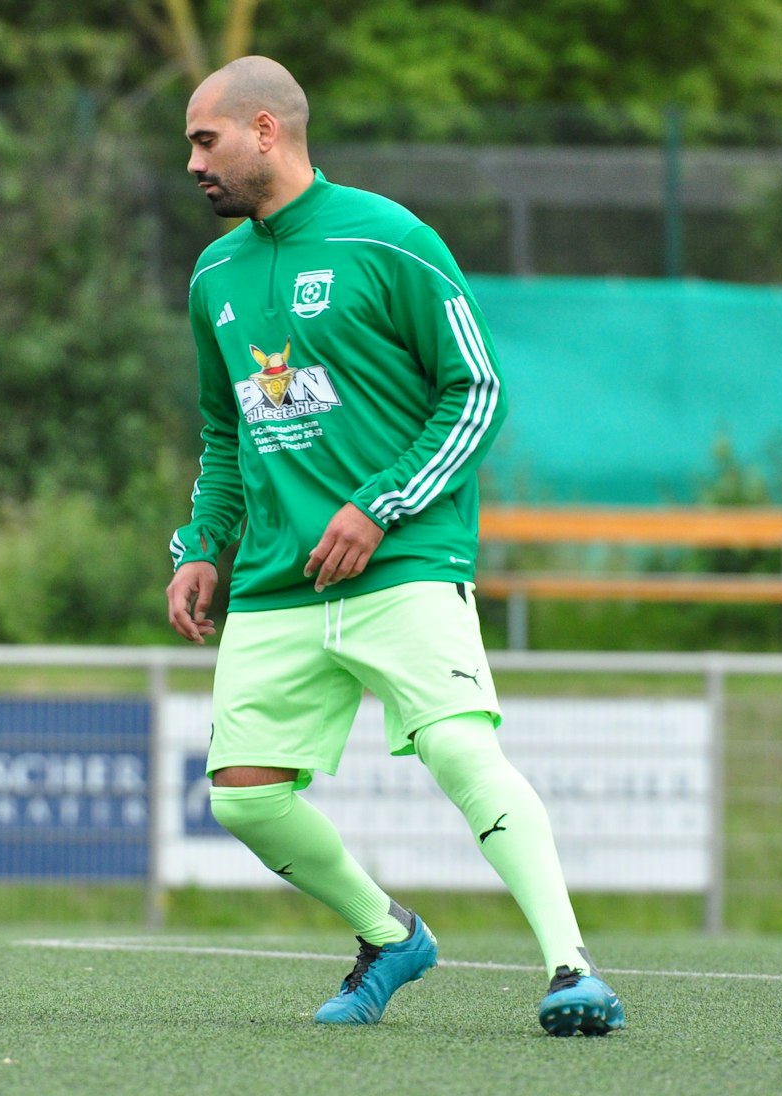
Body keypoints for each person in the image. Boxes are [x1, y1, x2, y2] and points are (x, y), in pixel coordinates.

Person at [164, 55, 624, 1036]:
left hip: (404, 562)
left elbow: (477, 389)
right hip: (278, 582)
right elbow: (223, 429)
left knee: (459, 749)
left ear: (264, 130)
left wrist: (381, 505)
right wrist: (200, 545)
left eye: (205, 141)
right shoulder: (213, 275)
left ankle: (570, 967)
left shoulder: (390, 238)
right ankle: (390, 934)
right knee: (243, 798)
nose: (193, 163)